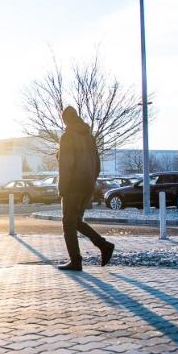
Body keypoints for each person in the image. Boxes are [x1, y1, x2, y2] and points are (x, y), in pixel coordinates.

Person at [57, 106, 115, 271]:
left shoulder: (67, 137)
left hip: (73, 187)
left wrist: (62, 189)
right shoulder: (90, 137)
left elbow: (65, 166)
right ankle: (104, 246)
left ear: (65, 120)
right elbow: (97, 164)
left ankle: (75, 261)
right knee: (76, 221)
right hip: (87, 186)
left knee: (68, 223)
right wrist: (90, 181)